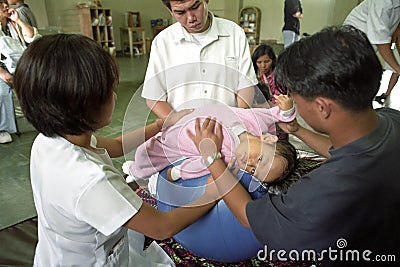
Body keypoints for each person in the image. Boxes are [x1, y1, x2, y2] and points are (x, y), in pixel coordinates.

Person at [189, 25, 400, 266]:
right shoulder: (390, 119)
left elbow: (249, 216)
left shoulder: (324, 191)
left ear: (322, 106)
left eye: (296, 98)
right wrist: (298, 130)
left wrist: (212, 158)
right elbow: (345, 148)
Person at [13, 34, 218, 266]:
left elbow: (117, 146)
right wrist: (216, 188)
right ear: (83, 106)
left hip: (56, 253)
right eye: (109, 91)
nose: (115, 96)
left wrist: (162, 124)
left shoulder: (49, 140)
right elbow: (162, 226)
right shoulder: (92, 180)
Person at [125, 95, 297, 184]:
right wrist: (286, 111)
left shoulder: (229, 160)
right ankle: (137, 169)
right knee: (148, 147)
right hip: (185, 117)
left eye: (253, 171)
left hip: (175, 144)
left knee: (146, 153)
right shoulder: (255, 122)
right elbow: (273, 114)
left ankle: (135, 171)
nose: (250, 164)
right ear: (267, 138)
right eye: (260, 159)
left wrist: (179, 173)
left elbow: (203, 166)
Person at [142, 0, 258, 120]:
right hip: (182, 130)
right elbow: (154, 96)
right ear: (170, 11)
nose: (191, 18)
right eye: (180, 12)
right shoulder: (163, 42)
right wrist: (173, 120)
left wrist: (239, 119)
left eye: (195, 7)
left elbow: (246, 85)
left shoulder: (234, 33)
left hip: (229, 126)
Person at [343, 0, 400, 105]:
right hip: (352, 44)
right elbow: (381, 42)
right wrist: (397, 68)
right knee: (350, 83)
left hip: (366, 48)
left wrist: (396, 28)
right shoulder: (382, 3)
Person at [0, 0, 39, 144]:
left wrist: (19, 20)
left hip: (22, 66)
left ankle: (45, 117)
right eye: (0, 4)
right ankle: (3, 129)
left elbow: (32, 37)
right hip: (1, 69)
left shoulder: (14, 24)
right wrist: (2, 74)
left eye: (5, 3)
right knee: (3, 91)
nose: (5, 6)